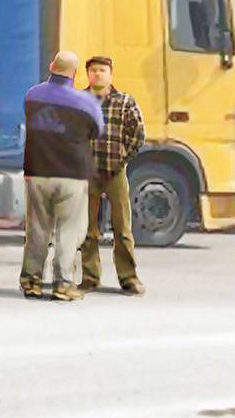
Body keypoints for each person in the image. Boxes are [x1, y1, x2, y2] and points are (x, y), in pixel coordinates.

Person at [21, 50, 104, 300]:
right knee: (69, 231)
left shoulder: (32, 96)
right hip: (72, 174)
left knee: (37, 229)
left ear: (51, 65)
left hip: (37, 171)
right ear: (75, 74)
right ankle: (63, 284)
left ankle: (31, 281)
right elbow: (97, 130)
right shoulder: (86, 103)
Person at [80, 56, 147, 295]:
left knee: (122, 227)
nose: (98, 74)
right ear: (87, 75)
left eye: (102, 70)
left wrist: (123, 158)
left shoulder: (125, 102)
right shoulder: (79, 102)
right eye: (93, 71)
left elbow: (138, 134)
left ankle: (128, 277)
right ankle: (89, 277)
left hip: (116, 172)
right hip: (87, 173)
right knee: (88, 229)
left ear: (111, 74)